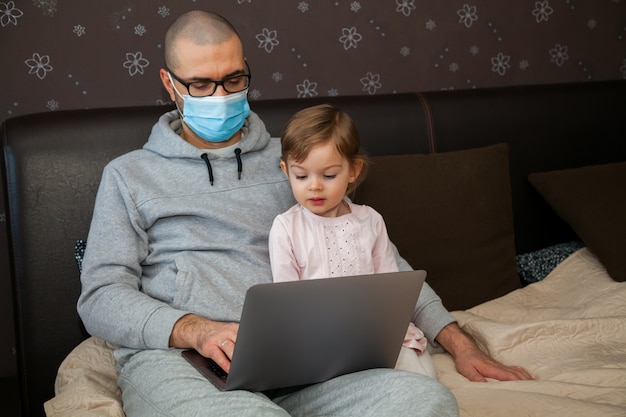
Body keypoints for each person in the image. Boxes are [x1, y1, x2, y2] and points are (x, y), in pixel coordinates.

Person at [77, 9, 531, 417]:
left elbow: (386, 264)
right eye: (200, 84)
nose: (220, 95)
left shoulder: (298, 163)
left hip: (308, 361)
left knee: (427, 402)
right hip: (185, 362)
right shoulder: (129, 176)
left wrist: (458, 342)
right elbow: (99, 295)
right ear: (169, 83)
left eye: (234, 80)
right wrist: (194, 330)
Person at [268, 104, 436, 377]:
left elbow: (390, 287)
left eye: (329, 175)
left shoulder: (370, 221)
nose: (314, 186)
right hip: (319, 336)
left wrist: (384, 329)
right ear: (286, 171)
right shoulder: (286, 228)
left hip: (374, 330)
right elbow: (288, 304)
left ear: (353, 170)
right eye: (301, 176)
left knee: (418, 371)